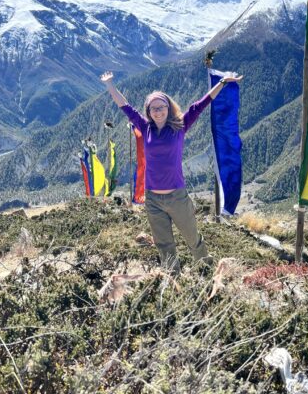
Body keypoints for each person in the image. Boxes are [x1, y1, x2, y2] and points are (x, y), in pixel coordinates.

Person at [100, 70, 244, 275]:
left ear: (168, 108)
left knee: (193, 239)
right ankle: (173, 281)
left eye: (161, 107)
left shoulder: (180, 126)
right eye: (153, 109)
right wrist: (110, 85)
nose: (158, 111)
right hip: (153, 199)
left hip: (176, 196)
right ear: (148, 111)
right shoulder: (144, 127)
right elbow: (124, 106)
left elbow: (200, 105)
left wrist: (222, 82)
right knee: (164, 244)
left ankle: (206, 274)